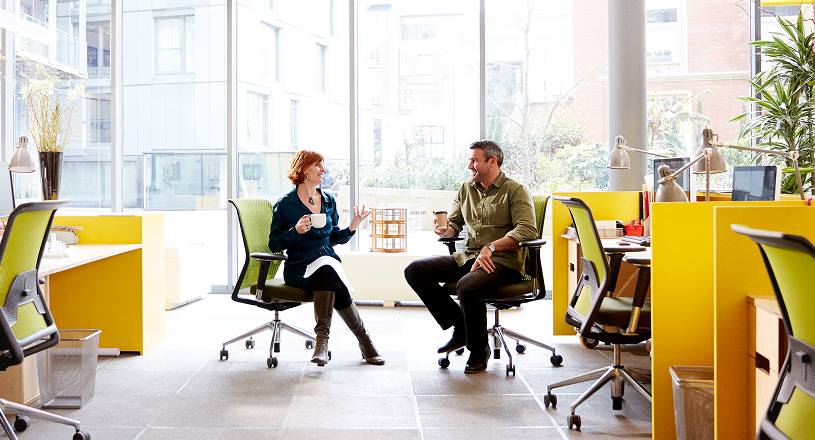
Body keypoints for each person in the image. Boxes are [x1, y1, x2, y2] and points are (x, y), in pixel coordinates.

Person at [403, 140, 537, 374]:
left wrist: (492, 247)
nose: (469, 166)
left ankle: (478, 350)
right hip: (469, 257)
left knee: (467, 285)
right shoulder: (466, 189)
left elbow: (527, 229)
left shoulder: (515, 190)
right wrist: (447, 230)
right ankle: (461, 326)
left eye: (474, 160)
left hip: (503, 261)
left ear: (492, 162)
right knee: (415, 270)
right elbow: (454, 223)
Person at [269, 150, 385, 366]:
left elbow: (332, 239)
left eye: (324, 165)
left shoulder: (329, 200)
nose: (324, 170)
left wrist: (353, 226)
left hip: (326, 259)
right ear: (303, 169)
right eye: (318, 165)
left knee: (328, 269)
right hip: (299, 266)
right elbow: (274, 244)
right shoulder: (285, 205)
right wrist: (295, 231)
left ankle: (323, 342)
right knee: (332, 278)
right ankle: (364, 341)